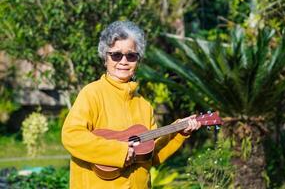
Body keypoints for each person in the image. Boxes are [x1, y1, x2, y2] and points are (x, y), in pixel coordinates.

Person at [61, 21, 201, 189]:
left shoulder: (144, 105)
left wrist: (179, 132)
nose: (124, 61)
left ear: (138, 61)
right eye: (116, 55)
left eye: (131, 56)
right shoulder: (92, 93)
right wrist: (118, 152)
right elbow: (72, 136)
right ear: (105, 58)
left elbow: (151, 155)